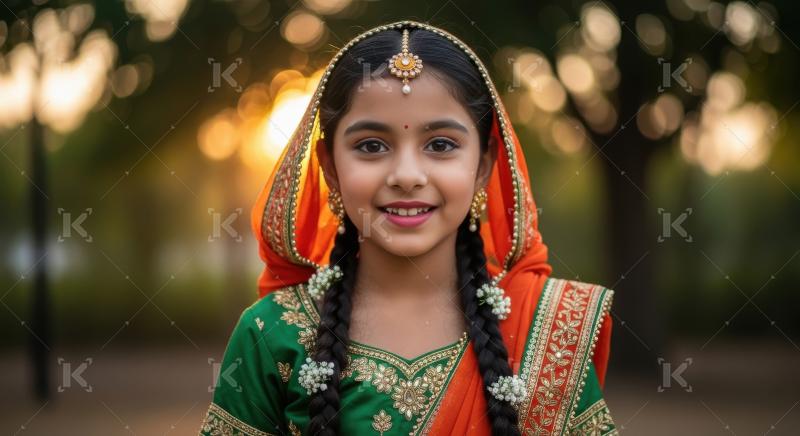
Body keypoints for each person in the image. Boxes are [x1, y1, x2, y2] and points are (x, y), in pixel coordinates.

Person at [199, 20, 616, 436]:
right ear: (329, 167)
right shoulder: (272, 333)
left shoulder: (546, 332)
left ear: (483, 165)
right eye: (371, 146)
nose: (406, 175)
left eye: (440, 145)